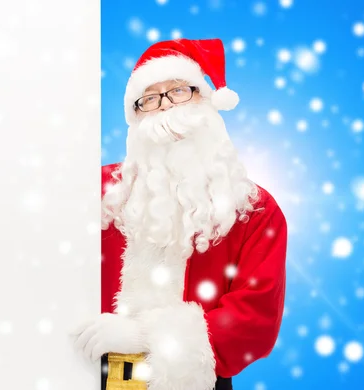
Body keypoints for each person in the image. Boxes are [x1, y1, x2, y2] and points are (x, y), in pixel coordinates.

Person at [73, 38, 288, 390]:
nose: (165, 109)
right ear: (135, 116)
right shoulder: (98, 193)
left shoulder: (254, 209)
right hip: (84, 375)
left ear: (204, 100)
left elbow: (255, 323)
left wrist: (144, 335)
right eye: (150, 98)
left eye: (178, 91)